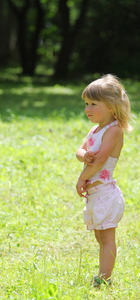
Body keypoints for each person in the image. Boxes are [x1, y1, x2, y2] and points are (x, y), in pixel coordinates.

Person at [76, 74, 132, 287]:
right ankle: (103, 275)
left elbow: (99, 161)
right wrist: (84, 156)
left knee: (107, 238)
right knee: (100, 238)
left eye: (94, 104)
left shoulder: (114, 130)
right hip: (95, 194)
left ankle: (104, 279)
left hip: (105, 193)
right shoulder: (95, 129)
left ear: (111, 106)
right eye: (86, 104)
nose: (88, 109)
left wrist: (82, 179)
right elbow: (80, 150)